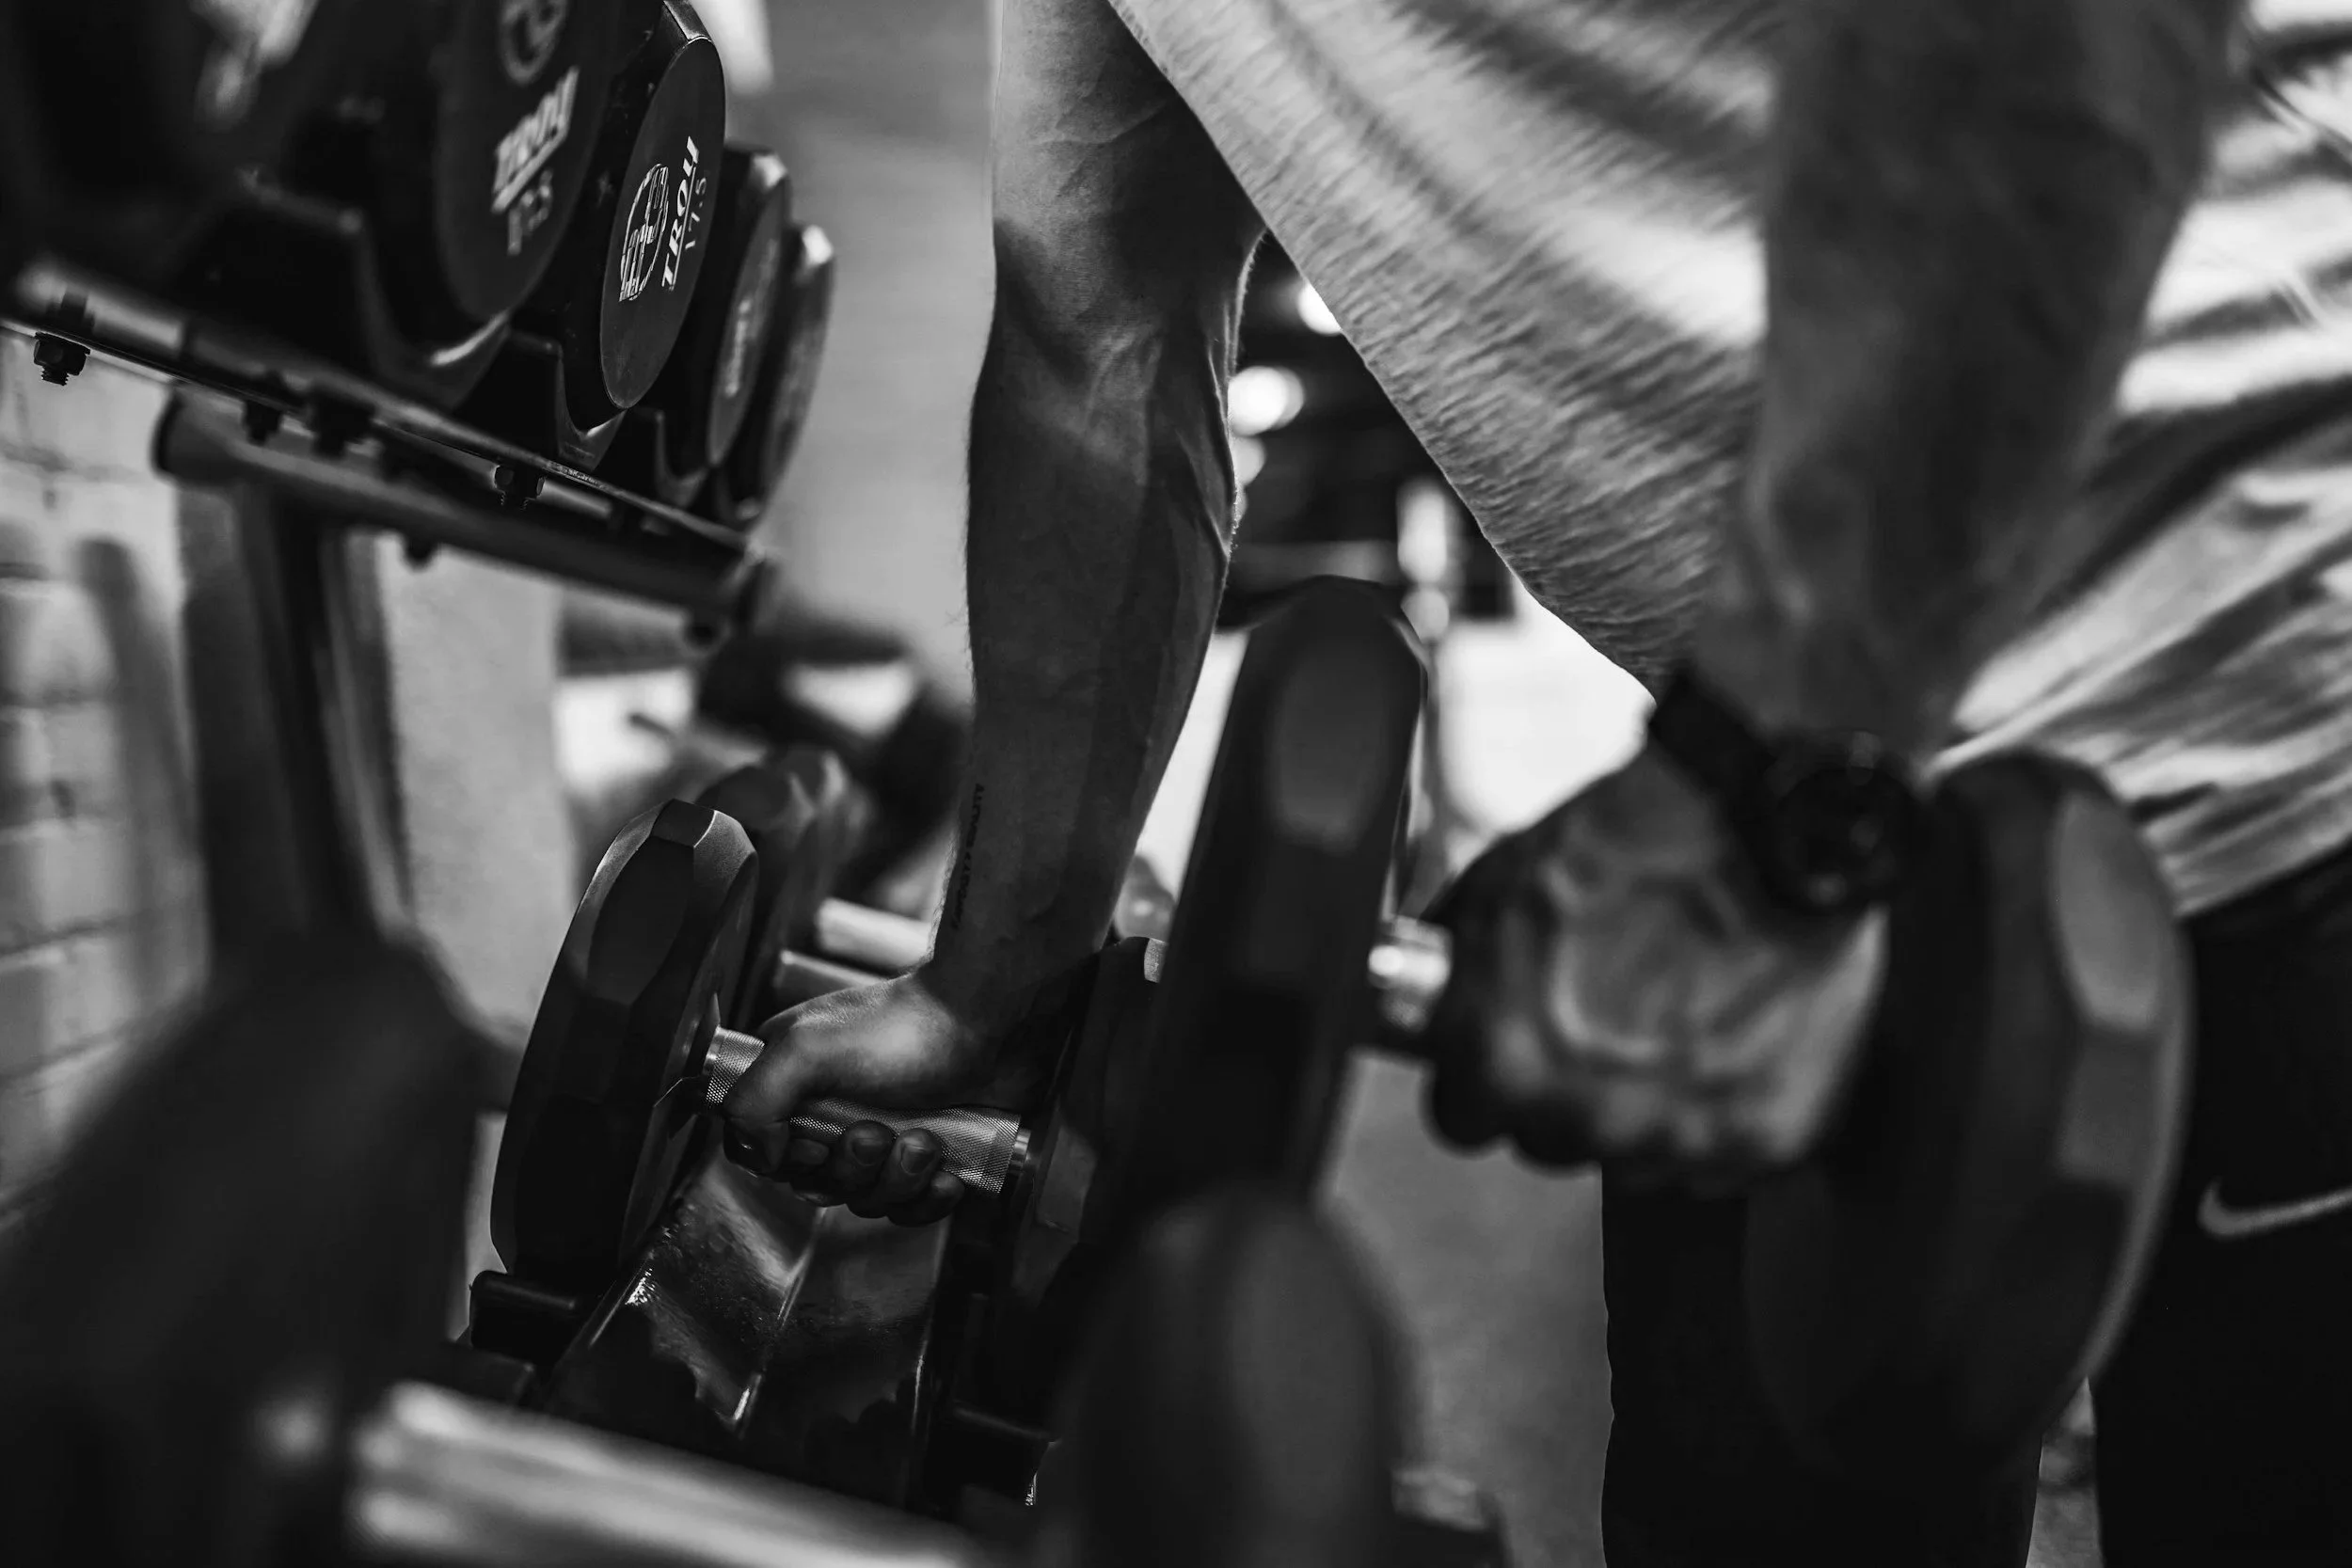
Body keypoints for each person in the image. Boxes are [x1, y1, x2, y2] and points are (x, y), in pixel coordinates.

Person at [721, 0, 2352, 1559]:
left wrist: (1758, 795)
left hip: (2278, 708)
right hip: (1801, 809)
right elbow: (1102, 347)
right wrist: (993, 987)